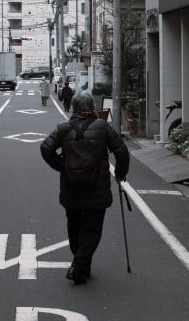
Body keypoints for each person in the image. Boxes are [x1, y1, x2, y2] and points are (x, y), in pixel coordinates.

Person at [40, 92, 130, 284]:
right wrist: (121, 173)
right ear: (92, 108)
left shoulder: (64, 128)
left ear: (73, 107)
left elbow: (46, 148)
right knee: (92, 229)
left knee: (74, 227)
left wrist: (62, 166)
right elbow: (121, 151)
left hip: (71, 187)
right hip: (97, 188)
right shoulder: (103, 127)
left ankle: (81, 265)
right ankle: (79, 266)